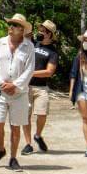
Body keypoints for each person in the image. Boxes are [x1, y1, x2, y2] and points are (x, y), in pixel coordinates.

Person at [0, 13, 35, 171]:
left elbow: (29, 70)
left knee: (16, 125)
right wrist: (1, 84)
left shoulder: (29, 47)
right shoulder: (0, 43)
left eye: (15, 25)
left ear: (22, 30)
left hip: (19, 93)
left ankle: (13, 158)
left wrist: (15, 85)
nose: (11, 27)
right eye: (11, 24)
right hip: (1, 90)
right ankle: (1, 149)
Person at [21, 19, 59, 155]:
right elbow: (23, 37)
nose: (40, 32)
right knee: (25, 116)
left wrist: (30, 73)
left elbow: (49, 72)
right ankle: (28, 144)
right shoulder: (33, 44)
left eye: (43, 30)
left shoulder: (53, 52)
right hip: (26, 86)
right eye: (40, 29)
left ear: (50, 34)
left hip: (41, 88)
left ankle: (37, 135)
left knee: (42, 114)